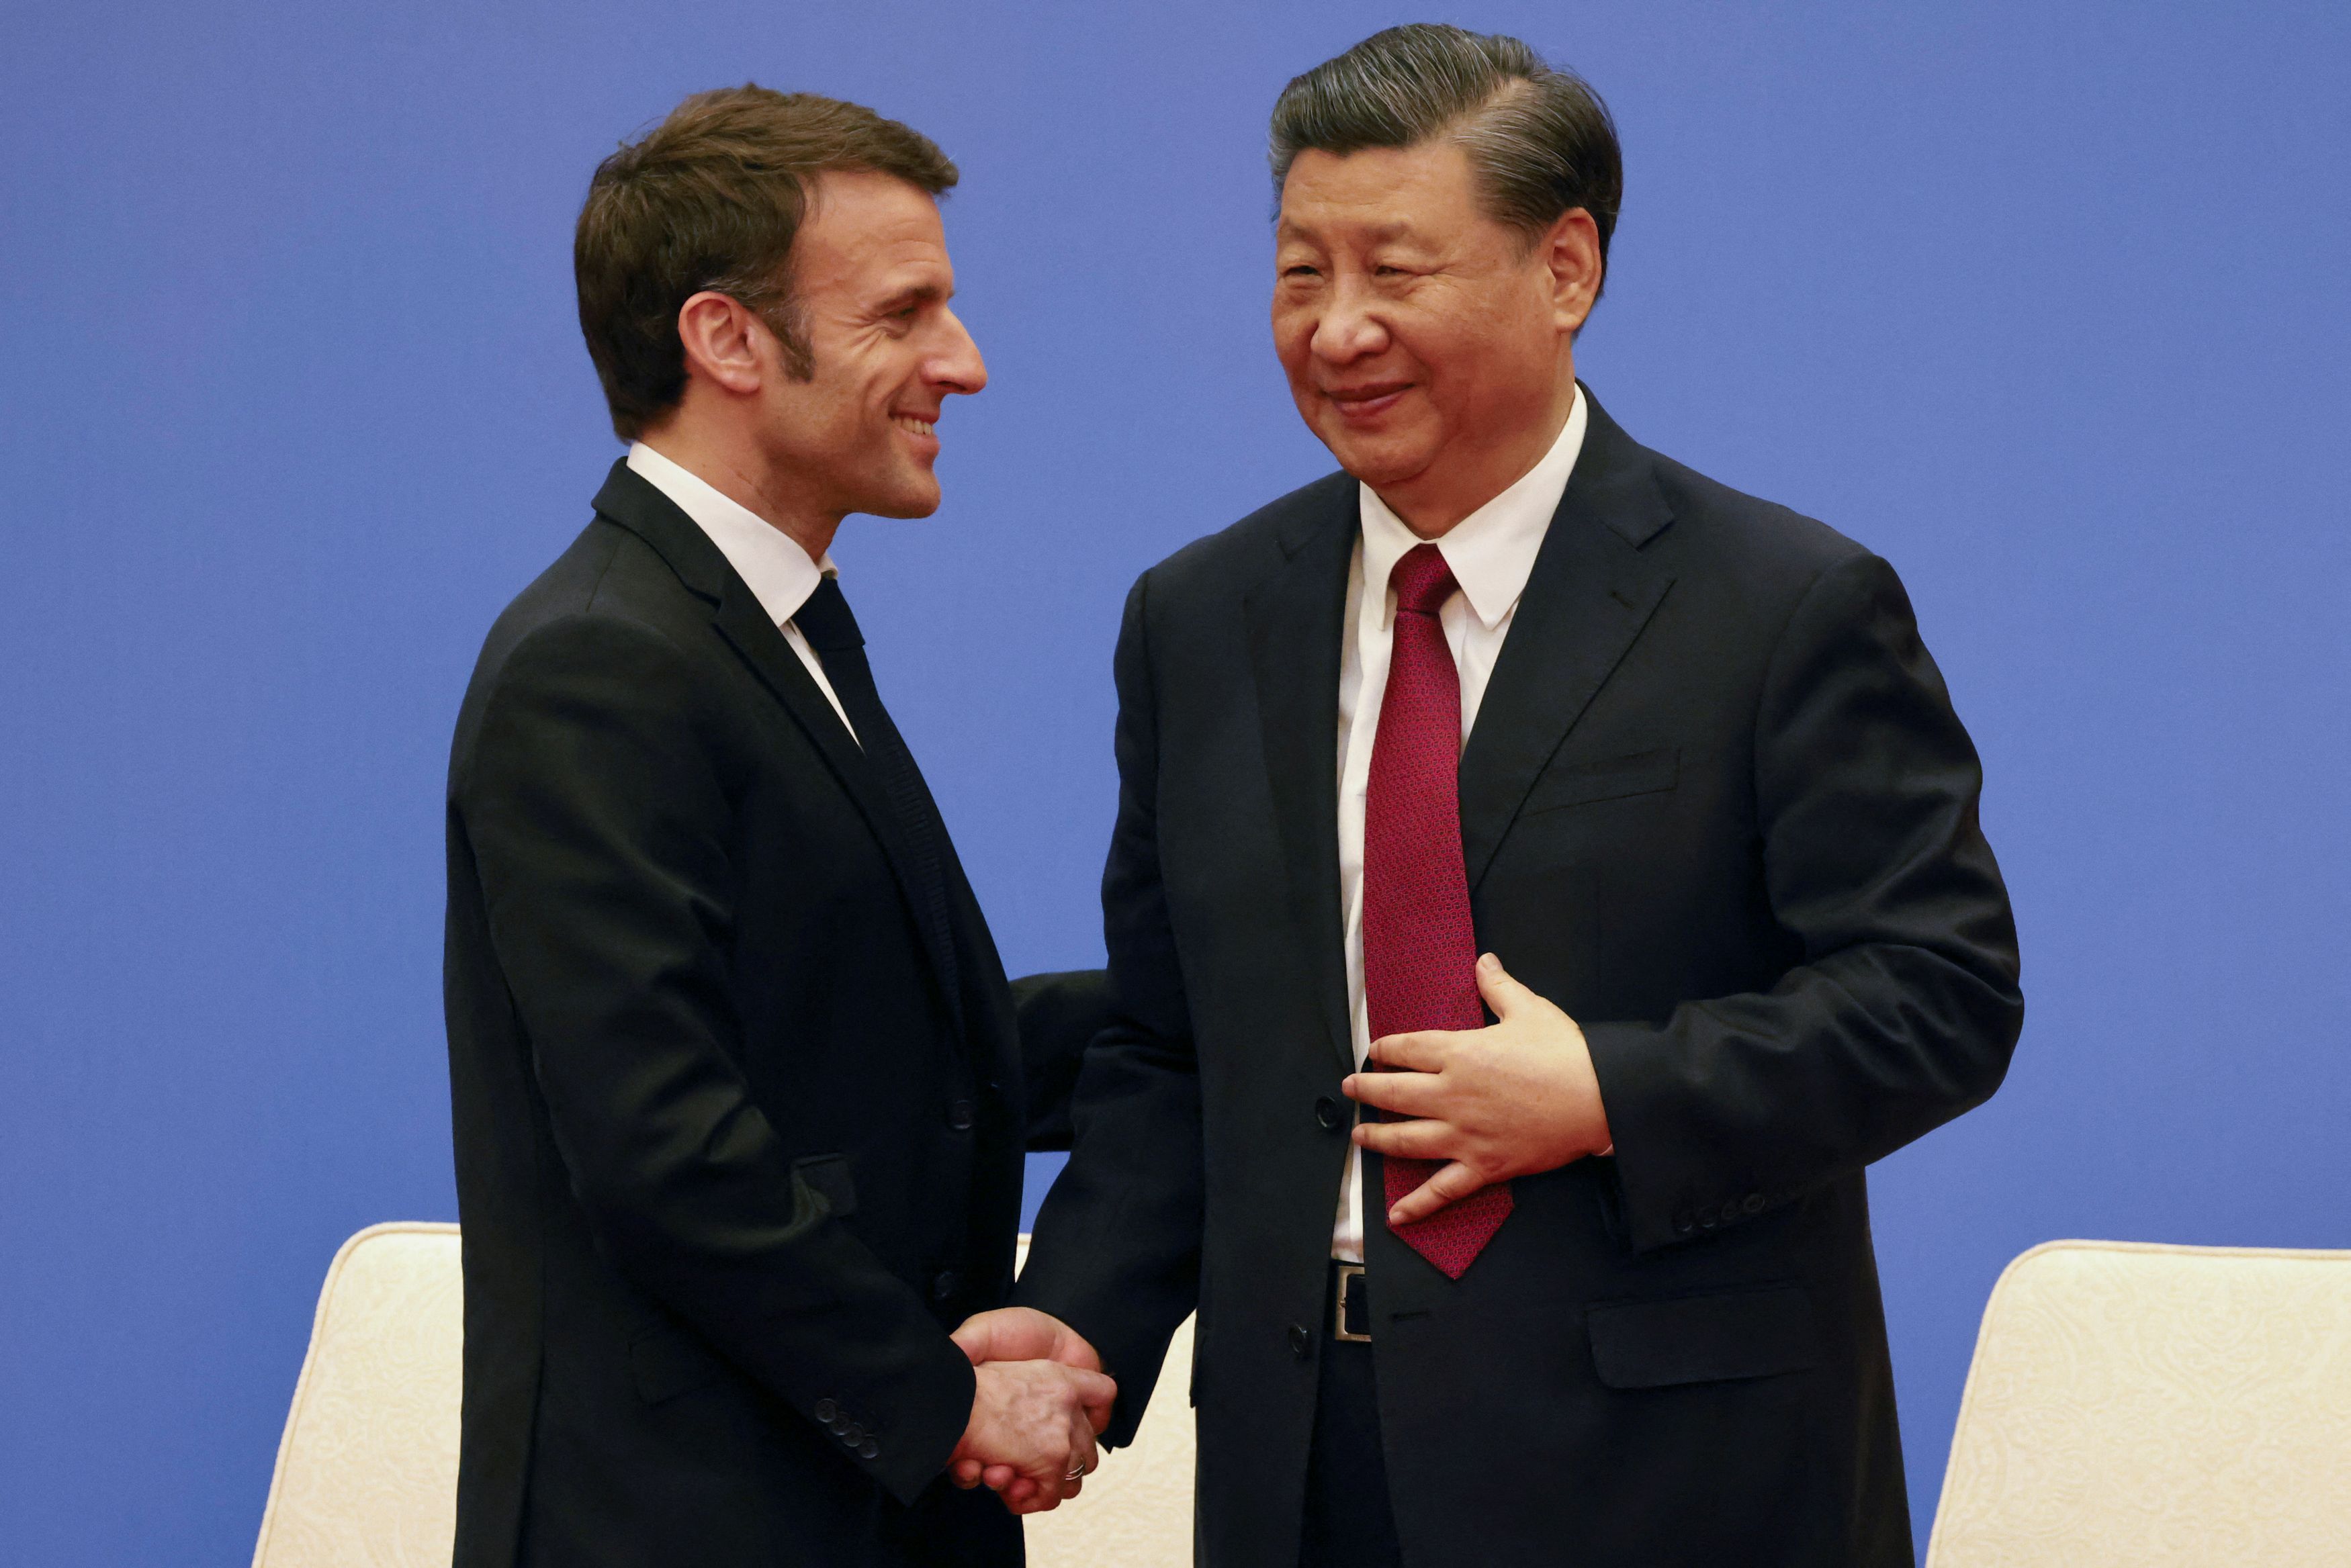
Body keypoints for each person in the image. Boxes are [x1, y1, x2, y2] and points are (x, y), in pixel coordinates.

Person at [965, 26, 2024, 1567]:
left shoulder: (1779, 604)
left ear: (1564, 269)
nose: (1337, 330)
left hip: (1667, 1473)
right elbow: (1174, 1042)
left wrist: (1609, 1090)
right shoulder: (1201, 618)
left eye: (1393, 272)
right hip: (1300, 1461)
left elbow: (1938, 994)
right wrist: (1076, 1316)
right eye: (1300, 273)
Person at [441, 85, 1111, 1568]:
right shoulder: (598, 661)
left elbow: (861, 1054)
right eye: (904, 313)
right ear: (727, 340)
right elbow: (666, 1148)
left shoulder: (760, 624)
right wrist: (942, 1402)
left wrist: (1241, 1018)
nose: (965, 362)